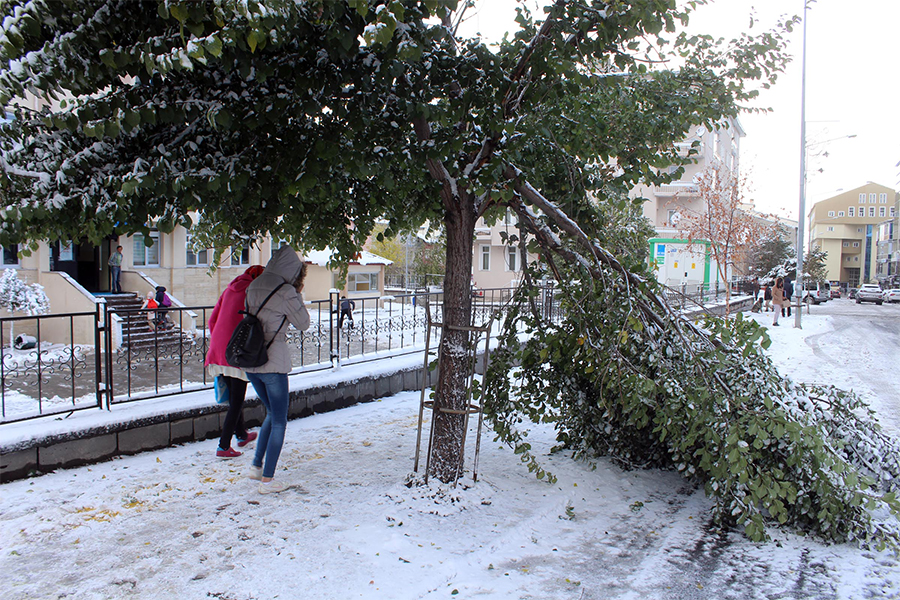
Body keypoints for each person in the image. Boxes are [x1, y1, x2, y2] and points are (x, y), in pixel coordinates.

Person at [243, 247, 311, 494]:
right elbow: (303, 323)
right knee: (280, 420)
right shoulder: (285, 291)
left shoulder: (255, 284)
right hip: (273, 361)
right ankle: (268, 481)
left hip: (251, 360)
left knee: (271, 413)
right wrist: (297, 295)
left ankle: (256, 467)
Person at [205, 264, 266, 459]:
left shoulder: (229, 289)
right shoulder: (253, 292)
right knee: (237, 400)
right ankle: (223, 446)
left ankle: (241, 435)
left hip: (219, 348)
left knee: (234, 396)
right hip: (236, 351)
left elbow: (212, 320)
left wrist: (219, 342)